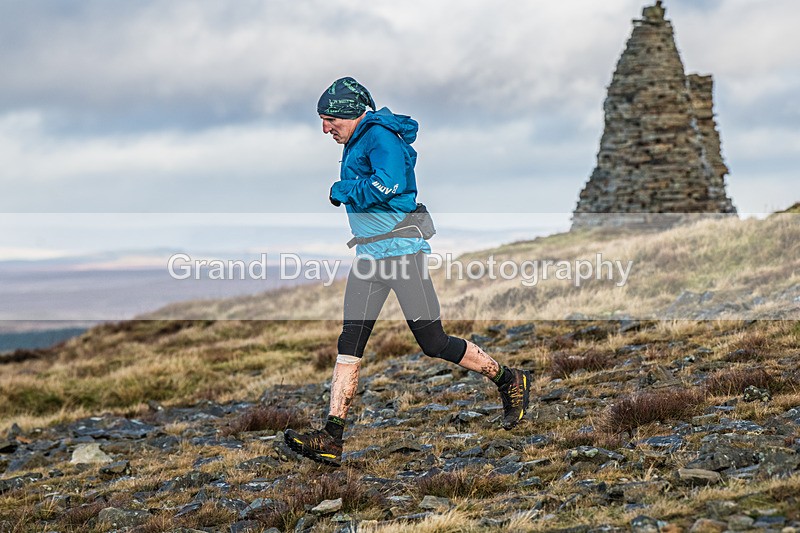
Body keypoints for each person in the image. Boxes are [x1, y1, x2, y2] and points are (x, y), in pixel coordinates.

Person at [285, 77, 531, 467]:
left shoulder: (379, 135)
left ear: (351, 113)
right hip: (369, 257)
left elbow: (390, 185)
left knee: (433, 342)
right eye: (322, 120)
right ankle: (331, 437)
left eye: (330, 119)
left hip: (401, 254)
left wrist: (341, 190)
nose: (325, 128)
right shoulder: (357, 139)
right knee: (350, 341)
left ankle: (509, 379)